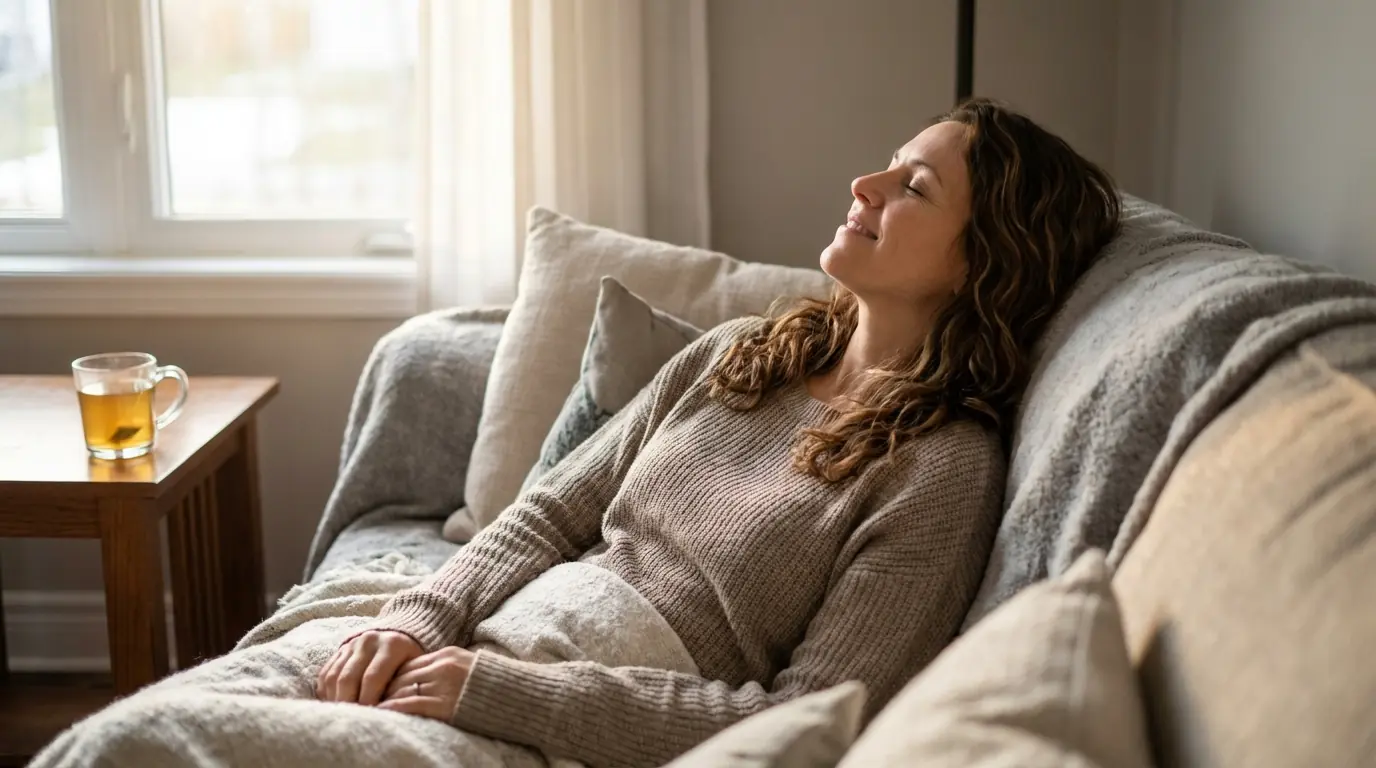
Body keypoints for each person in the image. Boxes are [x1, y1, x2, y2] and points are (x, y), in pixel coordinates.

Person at [316, 97, 1121, 765]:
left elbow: (814, 719)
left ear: (983, 263)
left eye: (912, 186)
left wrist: (504, 694)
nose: (864, 184)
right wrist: (412, 619)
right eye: (889, 164)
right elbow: (550, 513)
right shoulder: (741, 351)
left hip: (561, 720)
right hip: (476, 641)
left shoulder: (941, 470)